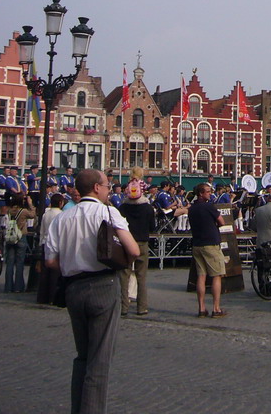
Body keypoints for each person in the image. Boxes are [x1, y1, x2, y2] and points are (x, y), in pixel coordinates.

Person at [44, 168, 138, 414]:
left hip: (73, 288)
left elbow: (50, 262)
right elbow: (134, 250)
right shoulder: (107, 212)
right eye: (107, 185)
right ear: (97, 187)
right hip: (102, 285)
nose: (109, 189)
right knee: (99, 360)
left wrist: (72, 261)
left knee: (82, 357)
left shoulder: (62, 218)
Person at [188, 182, 227, 317]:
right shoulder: (209, 207)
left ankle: (201, 308)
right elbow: (222, 221)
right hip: (211, 244)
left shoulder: (192, 208)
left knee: (201, 276)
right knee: (217, 276)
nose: (210, 193)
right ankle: (216, 308)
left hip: (197, 244)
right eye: (208, 192)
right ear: (201, 193)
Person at [118, 181, 153, 317]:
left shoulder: (122, 208)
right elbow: (152, 227)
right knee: (141, 276)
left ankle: (123, 307)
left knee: (124, 275)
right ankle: (142, 307)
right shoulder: (148, 208)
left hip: (127, 242)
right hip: (142, 243)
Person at [3, 193, 36, 293]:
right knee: (19, 262)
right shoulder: (23, 211)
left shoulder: (9, 210)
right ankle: (18, 287)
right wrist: (30, 204)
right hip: (21, 236)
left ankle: (8, 286)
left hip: (10, 237)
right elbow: (33, 215)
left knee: (10, 263)